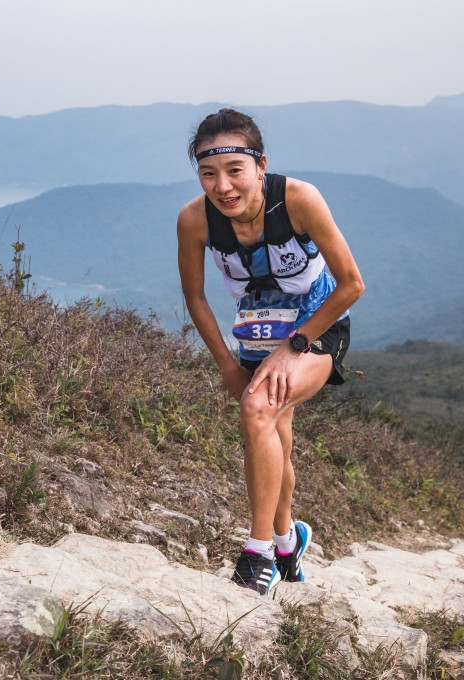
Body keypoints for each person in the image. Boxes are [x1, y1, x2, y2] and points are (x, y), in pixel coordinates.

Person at [176, 108, 364, 595]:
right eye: (208, 173)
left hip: (318, 324)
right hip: (257, 333)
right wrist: (225, 364)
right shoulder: (195, 220)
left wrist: (295, 348)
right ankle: (287, 541)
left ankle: (257, 552)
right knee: (274, 429)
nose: (223, 186)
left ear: (261, 165)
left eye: (235, 170)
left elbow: (352, 285)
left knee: (259, 407)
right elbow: (195, 297)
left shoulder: (298, 200)